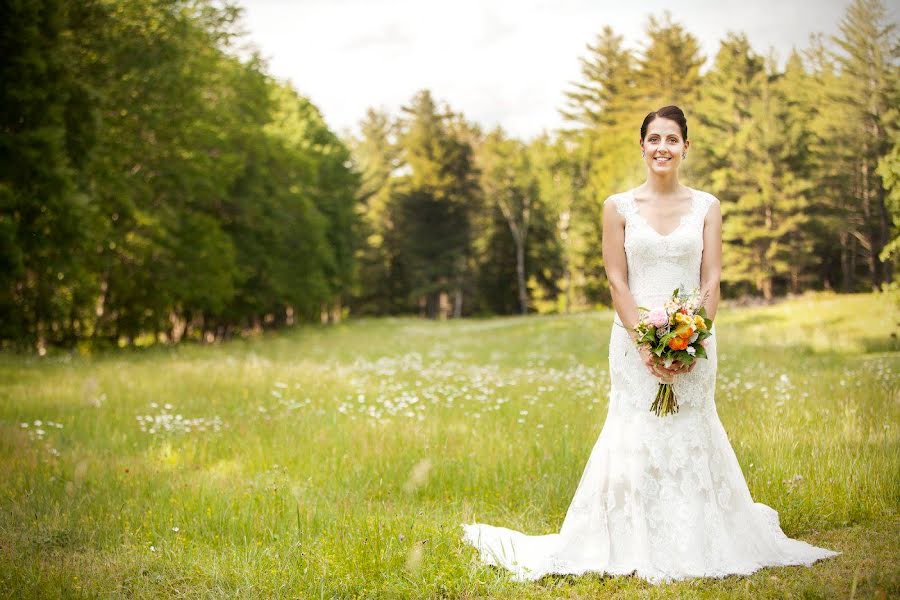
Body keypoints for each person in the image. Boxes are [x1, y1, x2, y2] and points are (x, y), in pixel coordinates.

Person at [460, 105, 840, 583]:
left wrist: (691, 337)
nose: (663, 147)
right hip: (631, 336)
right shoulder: (617, 207)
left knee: (690, 426)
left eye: (672, 139)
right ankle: (632, 534)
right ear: (641, 146)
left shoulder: (707, 206)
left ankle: (700, 535)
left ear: (686, 147)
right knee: (634, 428)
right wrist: (645, 342)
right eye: (654, 138)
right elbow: (617, 280)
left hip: (694, 337)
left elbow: (712, 277)